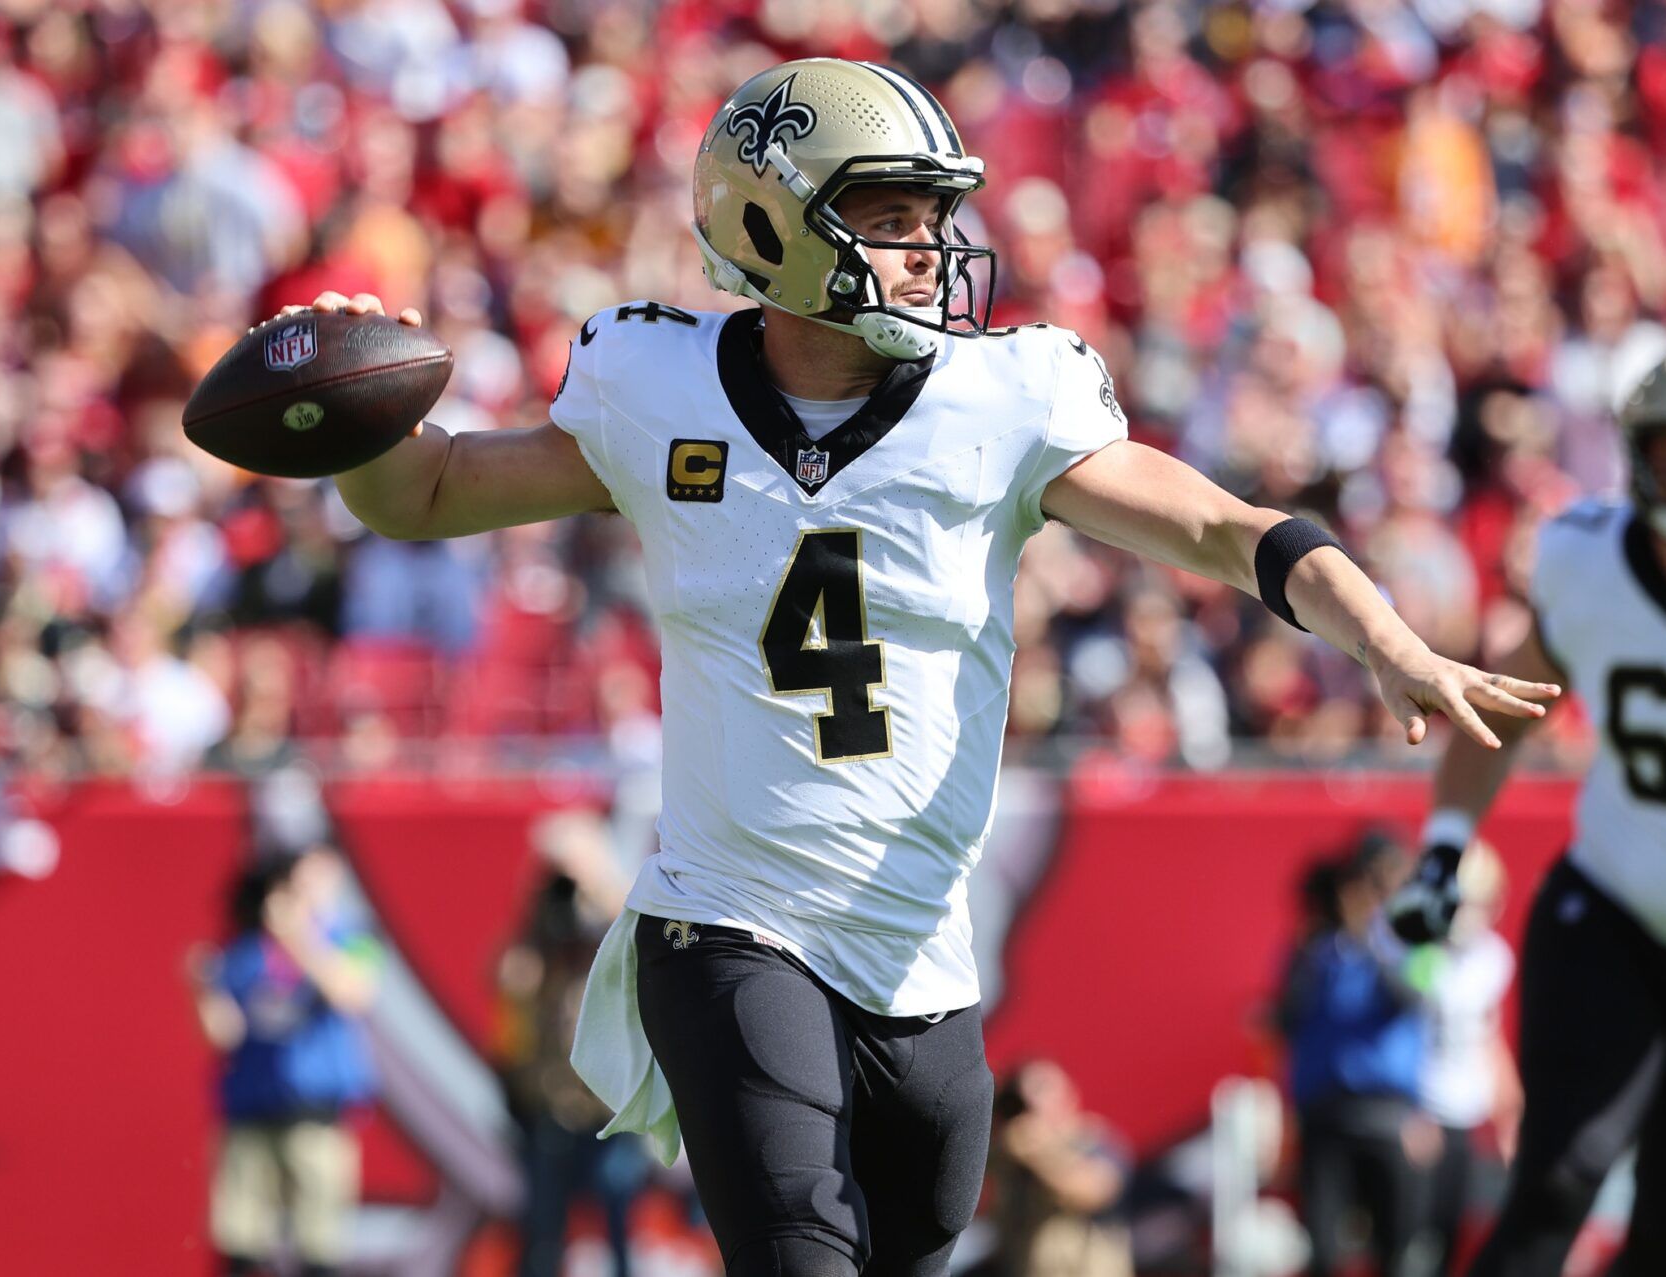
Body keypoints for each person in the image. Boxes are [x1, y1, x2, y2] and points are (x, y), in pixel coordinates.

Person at [294, 58, 1556, 1277]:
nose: (929, 250)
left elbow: (1229, 527)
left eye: (933, 216)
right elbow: (435, 491)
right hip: (728, 914)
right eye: (887, 217)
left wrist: (1383, 635)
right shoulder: (657, 382)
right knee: (799, 1249)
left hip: (919, 954)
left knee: (914, 1242)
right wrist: (356, 417)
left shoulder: (1003, 402)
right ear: (771, 224)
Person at [1389, 332, 1666, 1276]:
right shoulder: (1585, 557)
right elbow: (1505, 712)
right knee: (1560, 1174)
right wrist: (1446, 847)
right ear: (1634, 449)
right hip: (1612, 910)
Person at [189, 850, 382, 1277]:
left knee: (319, 1243)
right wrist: (202, 991)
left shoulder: (351, 936)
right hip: (252, 1113)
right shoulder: (247, 948)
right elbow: (227, 1033)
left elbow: (354, 993)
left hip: (316, 1116)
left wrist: (301, 939)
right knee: (240, 1239)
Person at [493, 811, 648, 1277]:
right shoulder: (539, 928)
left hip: (609, 1105)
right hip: (550, 1103)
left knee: (618, 1232)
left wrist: (596, 886)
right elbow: (509, 982)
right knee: (542, 1237)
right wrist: (538, 916)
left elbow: (641, 949)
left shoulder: (621, 910)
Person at [1276, 839, 1437, 1277]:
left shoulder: (1414, 944)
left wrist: (1373, 938)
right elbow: (1285, 1017)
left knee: (1398, 1249)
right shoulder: (1314, 951)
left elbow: (1413, 999)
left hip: (1390, 1119)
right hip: (1326, 1117)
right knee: (1325, 1249)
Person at [1416, 843, 1520, 1277]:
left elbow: (1487, 1034)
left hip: (1463, 1112)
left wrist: (1509, 1110)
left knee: (1450, 1234)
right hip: (1419, 1110)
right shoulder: (1420, 953)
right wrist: (1409, 1108)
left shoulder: (1494, 958)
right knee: (1411, 1238)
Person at [988, 1060, 1134, 1277]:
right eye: (1022, 1101)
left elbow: (1093, 1190)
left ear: (1068, 1094)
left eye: (1042, 1090)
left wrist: (1038, 1156)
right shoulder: (1008, 1153)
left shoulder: (1093, 1139)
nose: (1033, 1105)